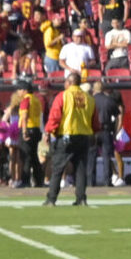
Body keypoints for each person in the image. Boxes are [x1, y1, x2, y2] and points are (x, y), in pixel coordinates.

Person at [44, 69, 95, 206]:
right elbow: (94, 120)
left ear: (69, 82)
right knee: (80, 168)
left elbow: (55, 116)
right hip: (84, 135)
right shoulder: (89, 98)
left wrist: (49, 131)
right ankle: (81, 198)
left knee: (58, 168)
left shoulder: (63, 96)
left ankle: (51, 198)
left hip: (66, 135)